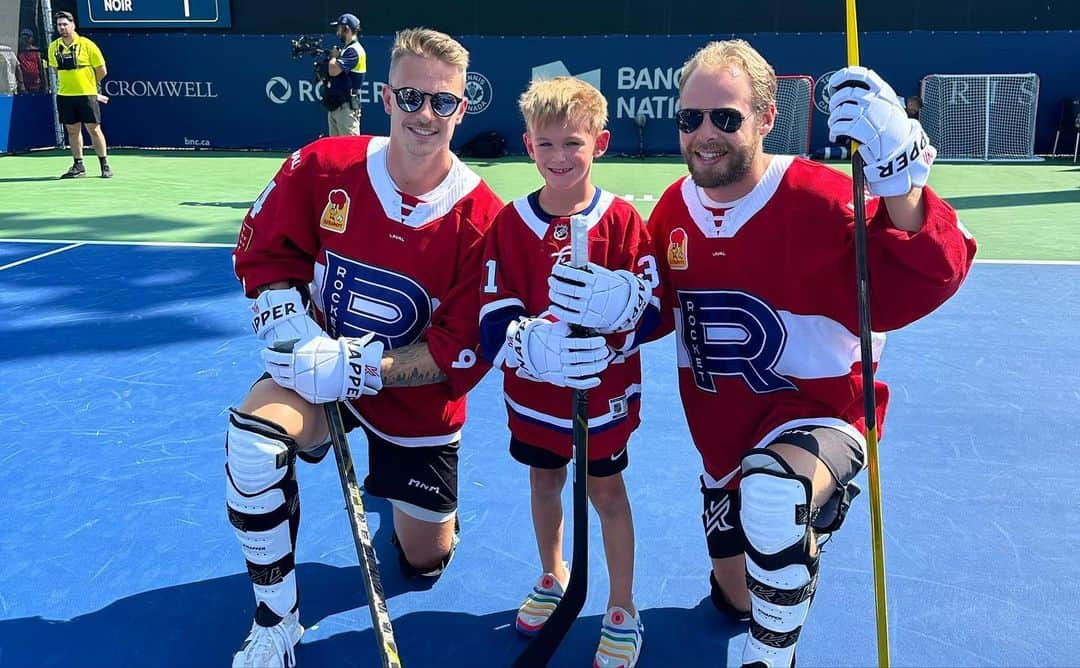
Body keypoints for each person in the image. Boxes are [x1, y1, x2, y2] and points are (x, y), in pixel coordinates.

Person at [549, 40, 977, 667]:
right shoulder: (673, 209)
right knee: (737, 596)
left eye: (725, 117)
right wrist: (615, 306)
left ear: (766, 119)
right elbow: (659, 308)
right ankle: (784, 538)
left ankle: (773, 650)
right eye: (690, 119)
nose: (704, 134)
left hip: (821, 414)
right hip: (723, 441)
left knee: (773, 496)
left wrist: (905, 187)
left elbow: (932, 273)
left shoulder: (820, 198)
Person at [228, 28, 503, 668]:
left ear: (462, 109)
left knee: (424, 560)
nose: (424, 115)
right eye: (410, 97)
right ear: (385, 97)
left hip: (412, 402)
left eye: (441, 102)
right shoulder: (325, 166)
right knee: (254, 444)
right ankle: (276, 620)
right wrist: (294, 335)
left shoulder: (482, 219)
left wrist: (356, 366)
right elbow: (265, 254)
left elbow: (460, 349)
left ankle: (418, 514)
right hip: (313, 369)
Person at [479, 76, 660, 668]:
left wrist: (623, 307)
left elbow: (656, 306)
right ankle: (552, 574)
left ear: (600, 143)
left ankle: (622, 605)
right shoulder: (509, 224)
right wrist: (526, 343)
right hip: (536, 399)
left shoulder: (624, 222)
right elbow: (492, 308)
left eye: (573, 144)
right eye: (547, 144)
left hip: (602, 395)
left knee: (606, 490)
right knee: (543, 481)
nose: (559, 158)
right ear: (529, 146)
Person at [47, 11, 111, 178]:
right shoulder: (53, 47)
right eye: (59, 25)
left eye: (65, 24)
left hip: (87, 95)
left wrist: (90, 87)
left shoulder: (87, 45)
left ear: (73, 25)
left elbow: (102, 70)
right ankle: (78, 165)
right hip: (65, 96)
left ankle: (104, 165)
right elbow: (55, 69)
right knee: (73, 131)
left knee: (94, 129)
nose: (62, 28)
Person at [325, 13, 366, 136]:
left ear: (346, 29)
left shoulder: (354, 51)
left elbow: (333, 70)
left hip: (346, 108)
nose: (337, 32)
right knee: (335, 150)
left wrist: (333, 57)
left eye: (339, 28)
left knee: (351, 149)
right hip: (338, 106)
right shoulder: (348, 49)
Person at [16, 29, 46, 94]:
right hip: (24, 85)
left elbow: (42, 69)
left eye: (28, 37)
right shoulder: (18, 51)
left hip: (36, 84)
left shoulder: (36, 52)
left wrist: (45, 85)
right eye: (23, 38)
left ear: (32, 39)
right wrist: (21, 84)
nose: (25, 40)